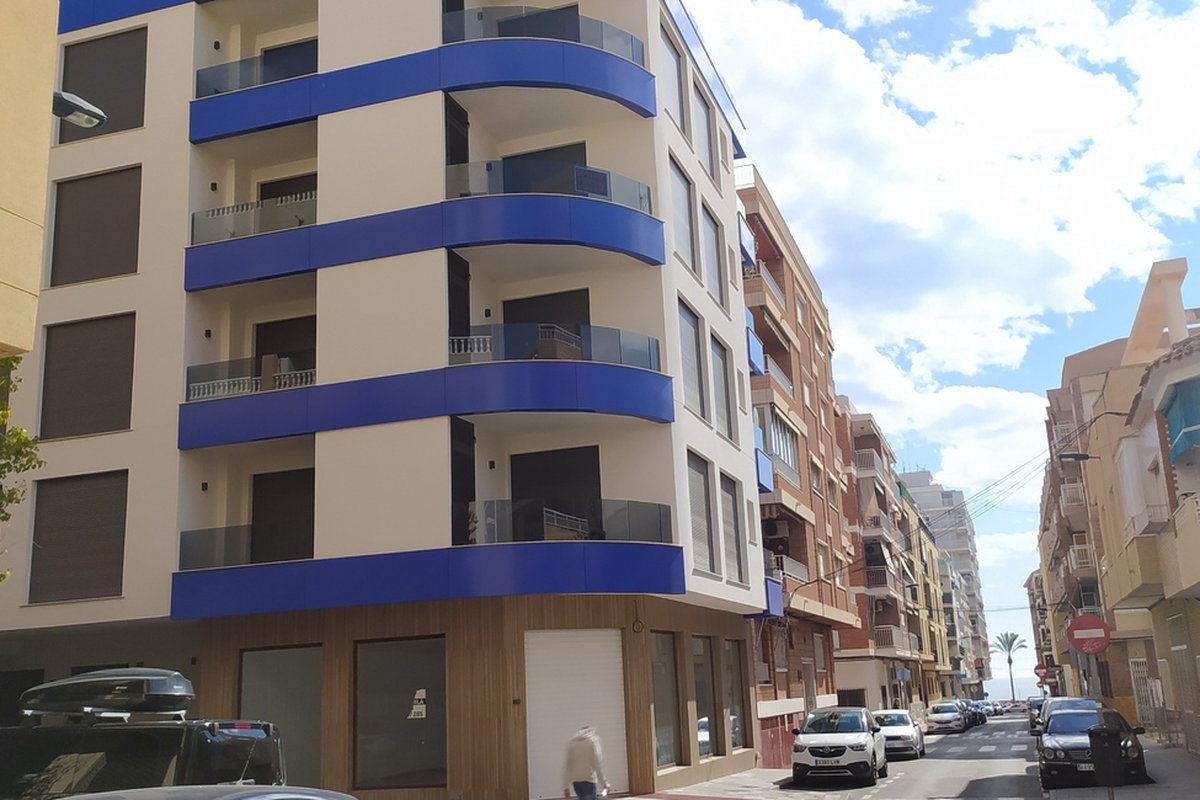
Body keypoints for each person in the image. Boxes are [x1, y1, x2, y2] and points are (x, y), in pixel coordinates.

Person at [563, 724, 609, 800]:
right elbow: (597, 765)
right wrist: (604, 783)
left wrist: (566, 787)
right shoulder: (592, 742)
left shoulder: (572, 743)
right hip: (589, 781)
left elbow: (567, 766)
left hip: (576, 782)